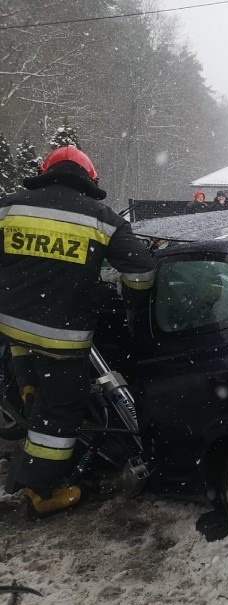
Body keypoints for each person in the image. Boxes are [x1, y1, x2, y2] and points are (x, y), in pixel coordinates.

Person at [0, 145, 155, 518]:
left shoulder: (8, 206)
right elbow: (142, 272)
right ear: (90, 179)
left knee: (33, 375)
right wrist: (132, 305)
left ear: (46, 172)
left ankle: (27, 390)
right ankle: (40, 490)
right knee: (61, 409)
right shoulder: (102, 218)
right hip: (60, 337)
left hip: (10, 326)